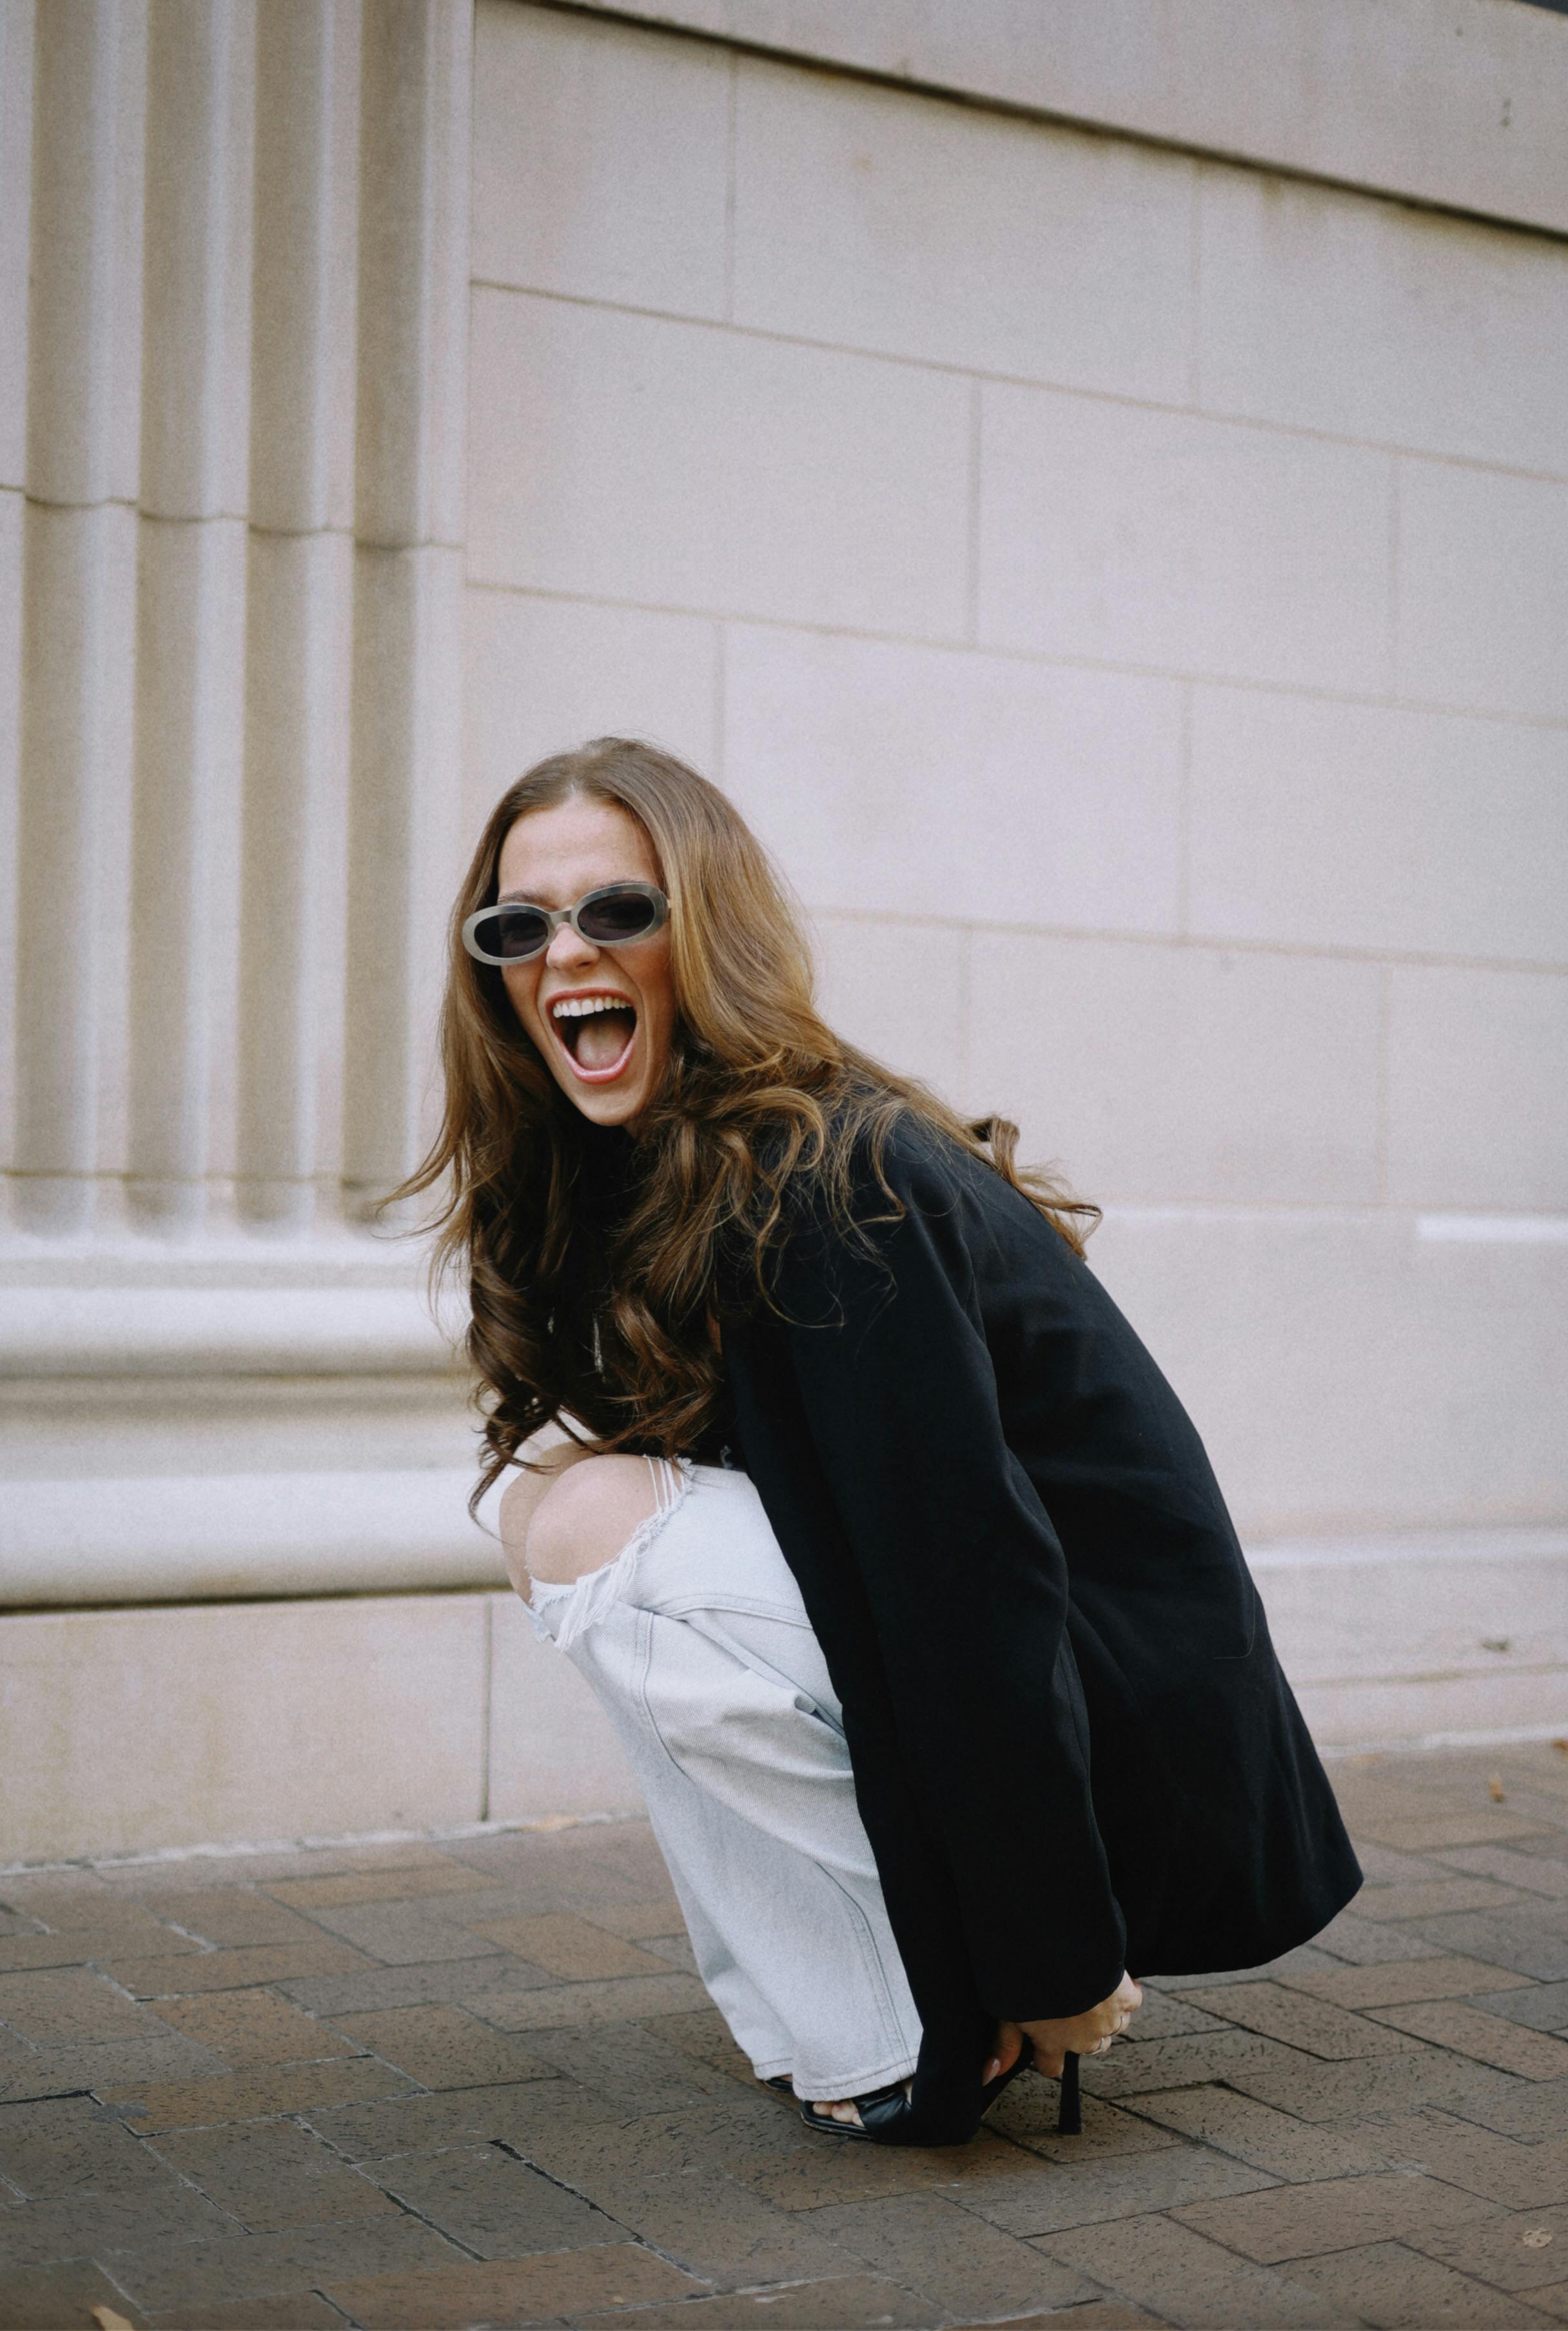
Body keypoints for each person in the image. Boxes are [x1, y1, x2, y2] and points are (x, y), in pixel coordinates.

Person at [396, 737, 1361, 2148]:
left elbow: (965, 1578)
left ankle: (937, 2008)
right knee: (550, 1507)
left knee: (598, 1521)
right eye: (518, 926)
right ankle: (840, 2010)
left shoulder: (829, 1181)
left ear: (705, 928)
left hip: (1120, 1730)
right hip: (1007, 1671)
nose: (563, 954)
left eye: (617, 911)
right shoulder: (645, 1168)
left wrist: (1051, 1948)